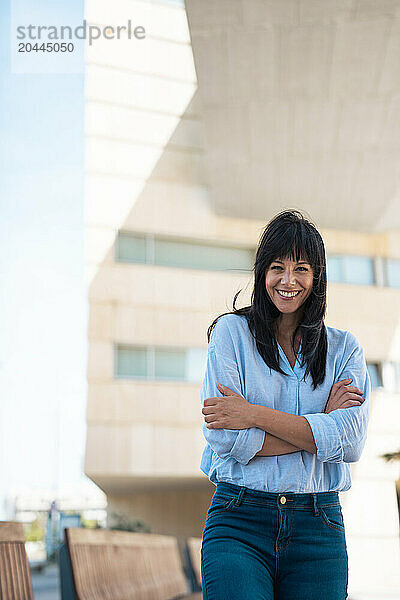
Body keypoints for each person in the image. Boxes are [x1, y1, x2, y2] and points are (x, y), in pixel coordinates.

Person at [199, 210, 371, 600]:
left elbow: (350, 444)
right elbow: (226, 441)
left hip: (318, 527)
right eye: (277, 267)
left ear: (317, 278)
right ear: (262, 273)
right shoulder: (230, 334)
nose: (288, 281)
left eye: (301, 269)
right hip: (239, 521)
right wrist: (320, 425)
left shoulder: (345, 350)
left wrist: (254, 415)